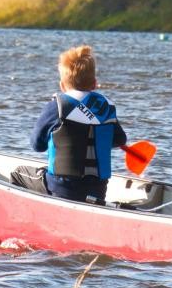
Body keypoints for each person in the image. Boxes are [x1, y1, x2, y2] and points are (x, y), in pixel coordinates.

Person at [30, 45, 126, 203]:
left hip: (60, 189)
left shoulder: (57, 107)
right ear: (94, 84)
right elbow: (119, 140)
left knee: (19, 174)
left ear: (62, 85)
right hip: (98, 191)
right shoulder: (106, 108)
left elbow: (37, 145)